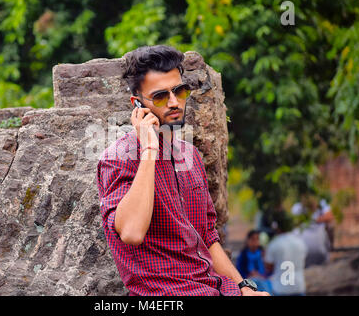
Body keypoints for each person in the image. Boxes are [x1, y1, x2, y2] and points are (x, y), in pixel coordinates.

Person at [96, 45, 269, 296]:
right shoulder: (118, 158)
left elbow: (208, 238)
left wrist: (244, 288)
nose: (175, 102)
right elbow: (132, 233)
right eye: (160, 97)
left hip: (217, 289)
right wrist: (149, 151)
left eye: (180, 91)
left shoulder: (190, 156)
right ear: (137, 105)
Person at [264, 210, 307, 296]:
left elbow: (268, 267)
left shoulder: (274, 244)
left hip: (280, 289)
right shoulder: (301, 242)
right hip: (299, 287)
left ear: (278, 228)